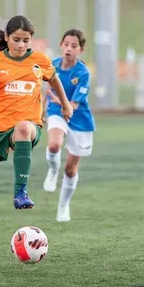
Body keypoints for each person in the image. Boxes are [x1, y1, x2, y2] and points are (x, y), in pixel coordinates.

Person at [0, 15, 73, 245]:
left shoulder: (40, 61)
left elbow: (54, 80)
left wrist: (65, 104)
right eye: (16, 40)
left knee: (23, 127)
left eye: (26, 40)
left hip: (27, 125)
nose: (21, 45)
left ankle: (20, 192)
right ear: (6, 38)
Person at [43, 29, 95, 222]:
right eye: (66, 44)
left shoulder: (83, 73)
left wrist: (60, 101)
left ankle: (63, 205)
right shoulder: (52, 66)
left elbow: (73, 105)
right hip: (57, 113)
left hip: (79, 119)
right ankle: (52, 170)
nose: (69, 49)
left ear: (80, 50)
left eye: (74, 46)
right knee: (54, 145)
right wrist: (41, 110)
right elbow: (47, 91)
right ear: (61, 45)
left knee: (71, 169)